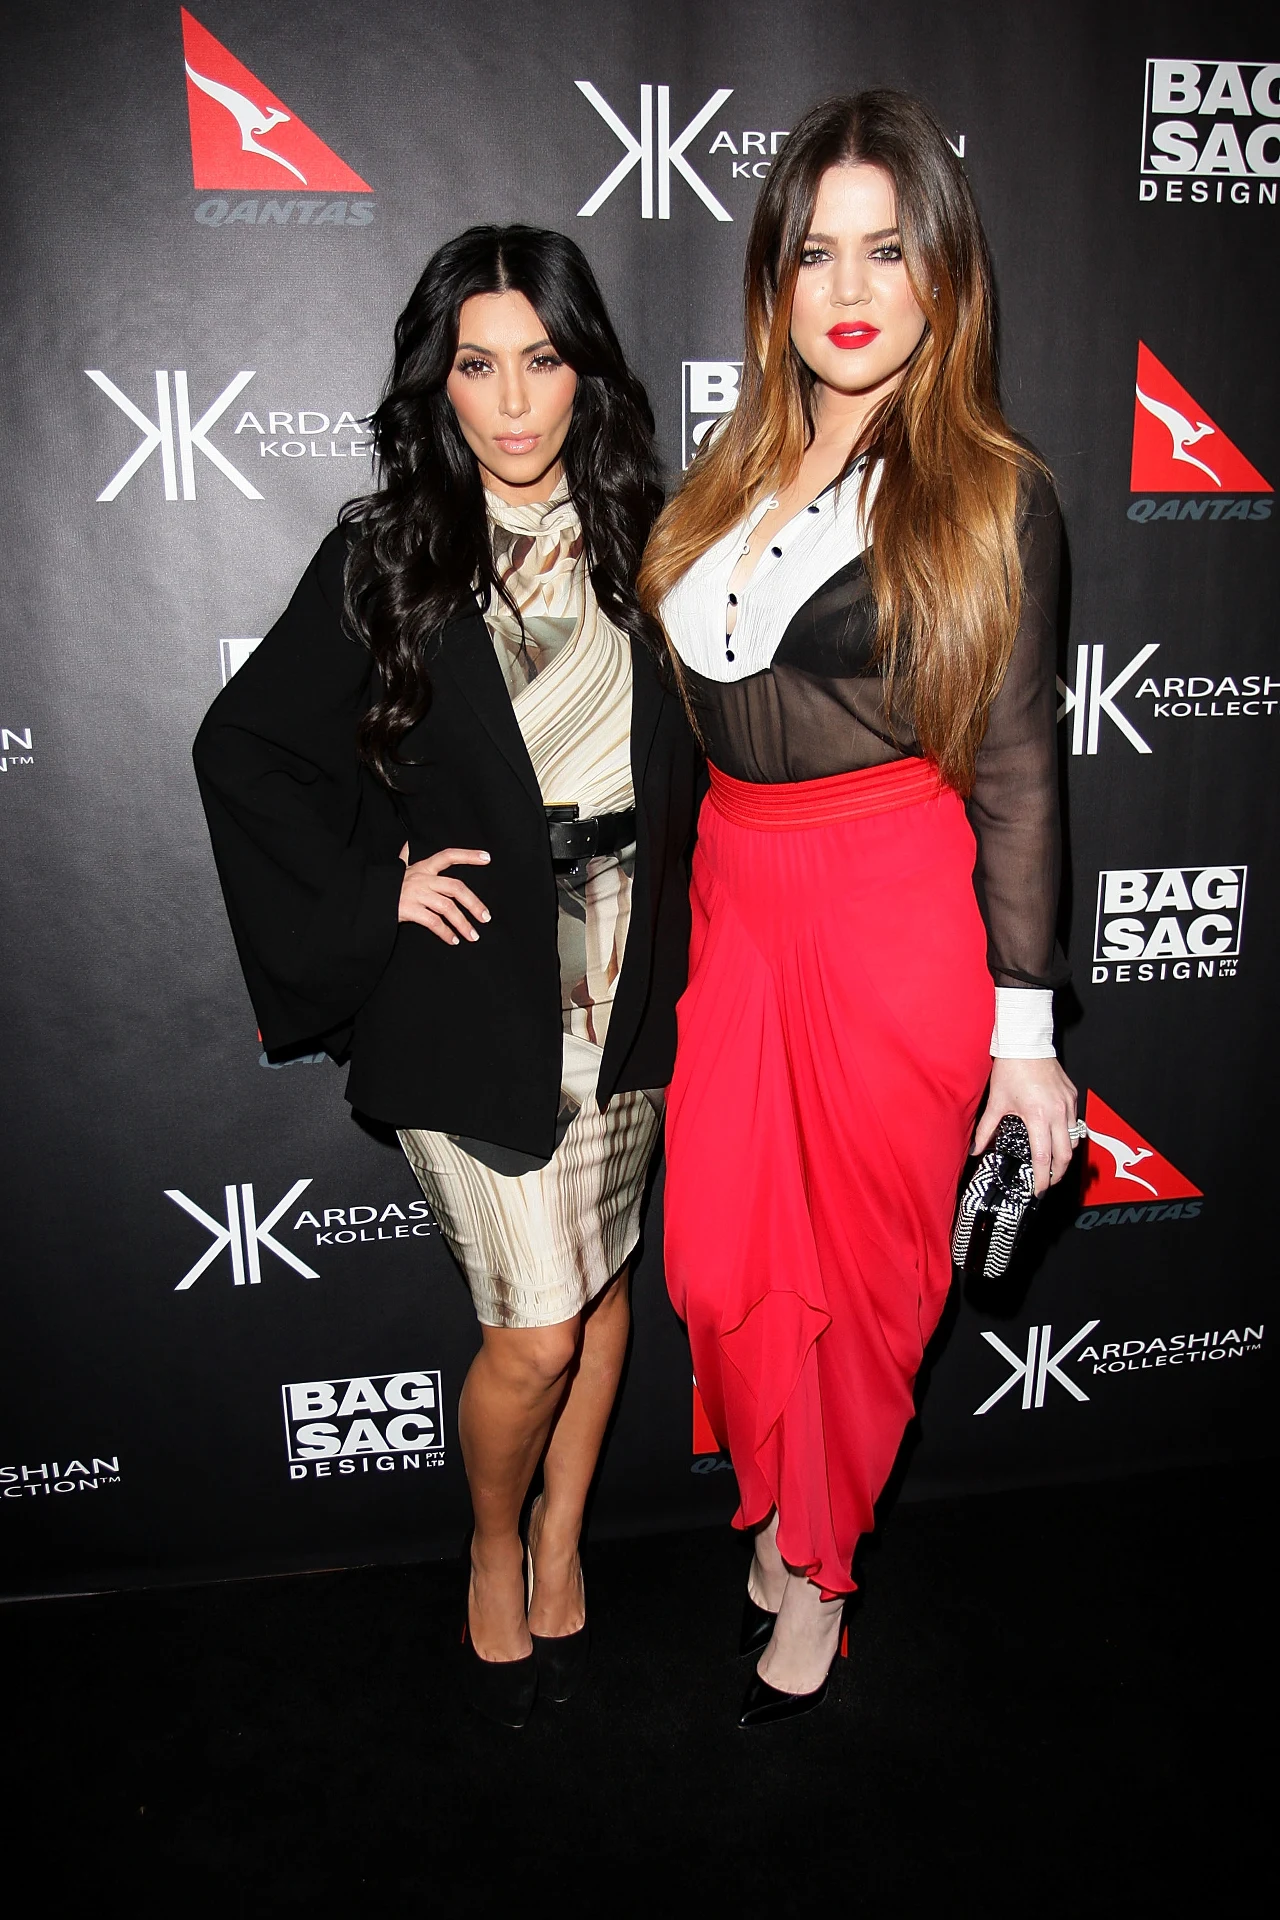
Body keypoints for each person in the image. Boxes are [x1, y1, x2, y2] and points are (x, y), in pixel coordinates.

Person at [194, 226, 698, 1728]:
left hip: (636, 973)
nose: (515, 401)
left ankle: (564, 1530)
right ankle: (492, 1537)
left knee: (601, 1286)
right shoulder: (390, 551)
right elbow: (246, 748)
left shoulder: (654, 536)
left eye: (542, 360)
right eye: (479, 366)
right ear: (440, 384)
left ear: (586, 371)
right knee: (533, 1331)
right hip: (479, 997)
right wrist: (378, 894)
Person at [639, 91, 1077, 1727]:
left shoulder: (991, 494)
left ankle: (819, 1574)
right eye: (816, 251)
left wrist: (1026, 1042)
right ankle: (783, 1501)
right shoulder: (733, 467)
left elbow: (1020, 770)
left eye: (887, 251)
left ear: (942, 276)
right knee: (720, 1262)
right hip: (736, 901)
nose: (849, 286)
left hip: (892, 913)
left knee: (859, 1289)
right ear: (775, 281)